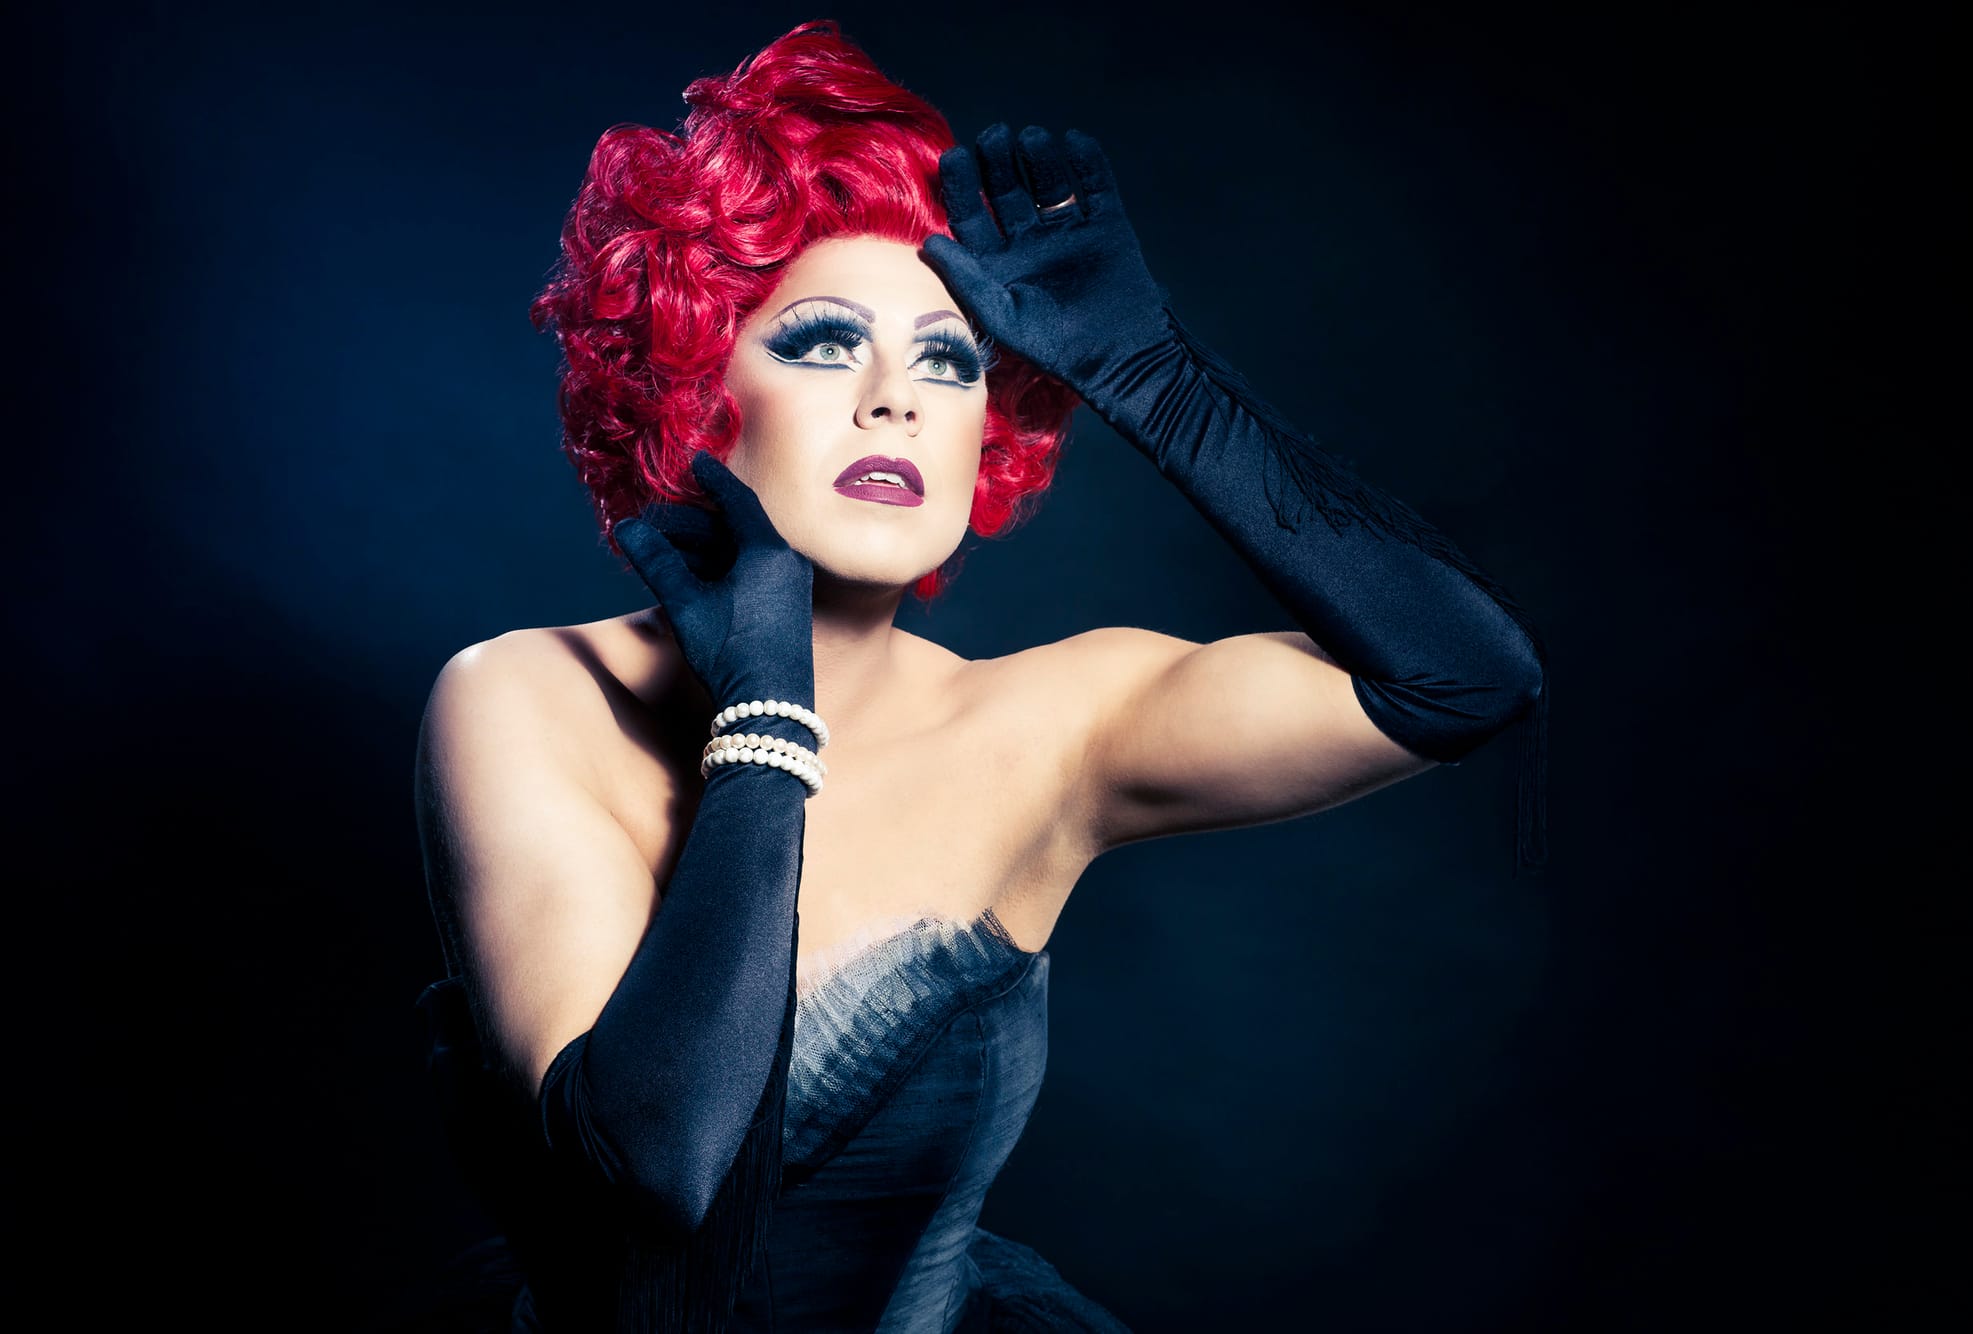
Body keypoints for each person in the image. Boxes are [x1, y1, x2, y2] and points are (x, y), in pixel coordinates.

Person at [408, 17, 1546, 1333]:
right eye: (823, 342)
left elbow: (1466, 678)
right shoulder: (525, 697)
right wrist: (768, 717)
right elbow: (657, 1168)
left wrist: (1150, 372)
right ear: (698, 384)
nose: (896, 398)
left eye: (949, 359)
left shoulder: (1052, 726)